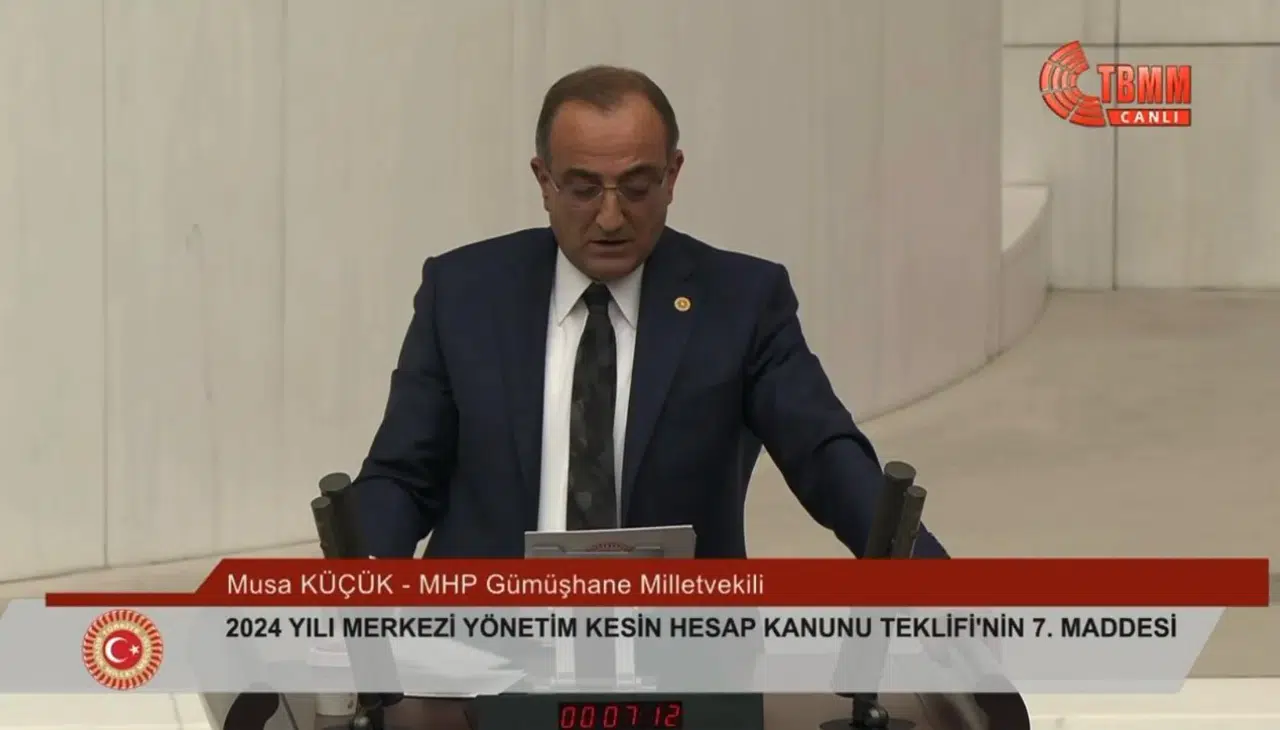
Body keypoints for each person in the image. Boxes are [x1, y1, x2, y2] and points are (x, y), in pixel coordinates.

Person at [351, 64, 948, 560]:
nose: (611, 217)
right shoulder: (464, 293)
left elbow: (823, 454)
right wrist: (356, 588)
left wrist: (932, 580)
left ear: (673, 175)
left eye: (636, 188)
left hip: (676, 643)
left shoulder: (741, 301)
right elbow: (403, 477)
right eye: (584, 189)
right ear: (544, 181)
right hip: (486, 645)